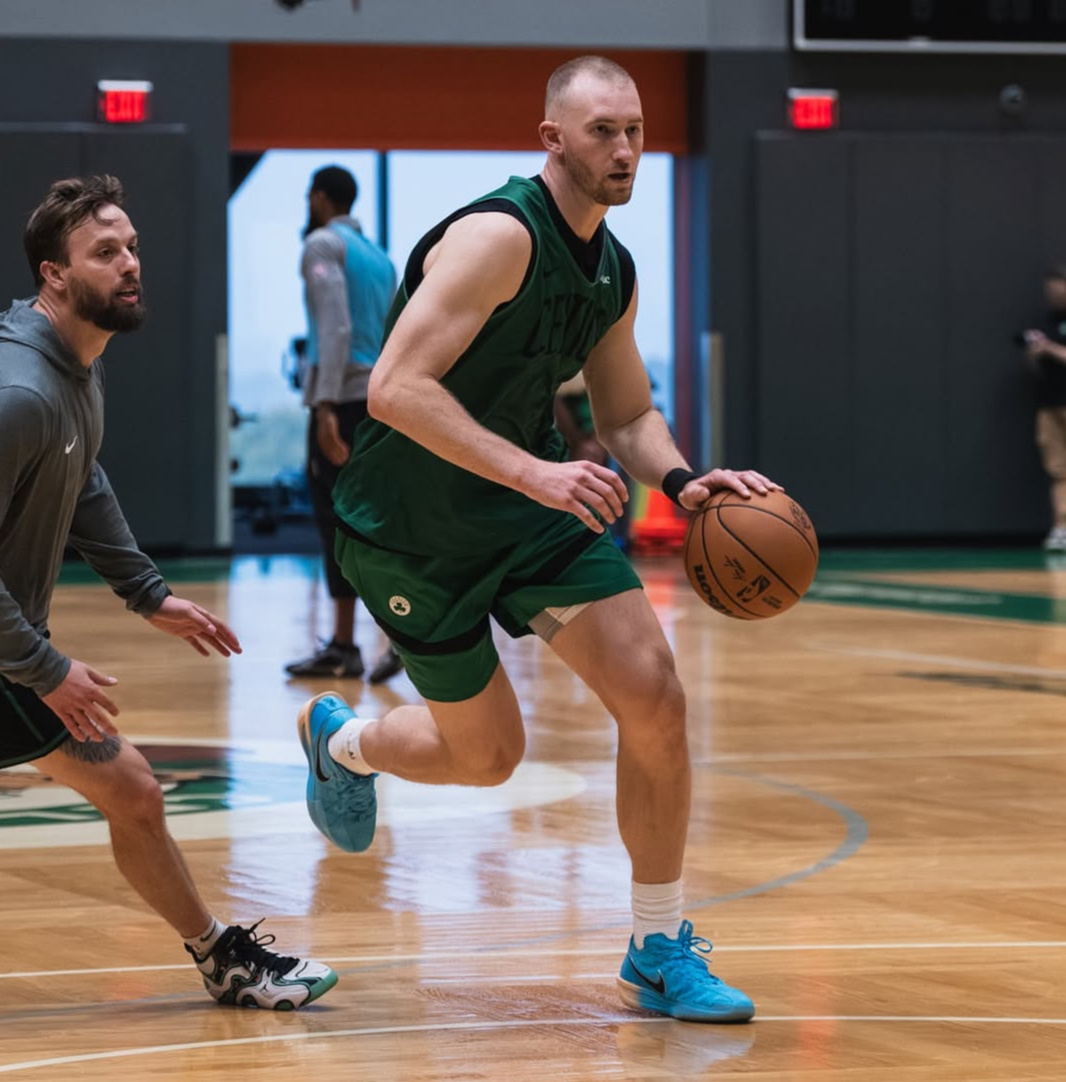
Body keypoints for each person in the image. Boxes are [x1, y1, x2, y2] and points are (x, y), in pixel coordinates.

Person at [296, 56, 778, 1023]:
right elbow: (393, 387)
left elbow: (629, 410)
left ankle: (656, 943)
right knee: (486, 758)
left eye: (637, 130)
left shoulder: (611, 269)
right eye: (604, 130)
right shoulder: (497, 238)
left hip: (528, 510)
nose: (628, 149)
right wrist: (537, 470)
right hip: (411, 527)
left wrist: (686, 481)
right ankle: (344, 744)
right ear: (552, 139)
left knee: (656, 696)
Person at [0, 175, 337, 1010]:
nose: (130, 264)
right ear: (54, 276)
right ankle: (228, 962)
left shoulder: (72, 367)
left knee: (132, 790)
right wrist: (43, 667)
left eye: (132, 246)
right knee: (134, 789)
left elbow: (82, 476)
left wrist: (147, 594)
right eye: (105, 253)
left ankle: (224, 960)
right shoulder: (19, 394)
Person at [284, 166, 403, 683]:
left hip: (346, 401)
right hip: (382, 404)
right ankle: (393, 635)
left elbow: (333, 325)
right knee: (373, 522)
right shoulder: (380, 258)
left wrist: (325, 405)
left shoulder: (321, 246)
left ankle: (346, 646)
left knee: (337, 525)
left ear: (318, 198)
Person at [1022, 268, 1066, 551]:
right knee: (1059, 470)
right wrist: (1034, 354)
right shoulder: (1047, 322)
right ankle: (1062, 528)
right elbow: (1034, 369)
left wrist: (1050, 348)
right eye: (1049, 288)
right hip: (1049, 405)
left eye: (1058, 287)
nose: (1053, 293)